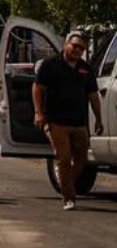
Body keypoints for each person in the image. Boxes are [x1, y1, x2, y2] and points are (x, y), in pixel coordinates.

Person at [33, 31, 104, 211]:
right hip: (56, 121)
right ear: (66, 44)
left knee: (82, 157)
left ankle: (67, 183)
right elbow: (37, 88)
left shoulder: (85, 69)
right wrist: (38, 112)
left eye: (81, 48)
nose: (78, 50)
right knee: (63, 158)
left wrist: (98, 119)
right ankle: (68, 197)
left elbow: (93, 96)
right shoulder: (51, 65)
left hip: (79, 123)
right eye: (75, 46)